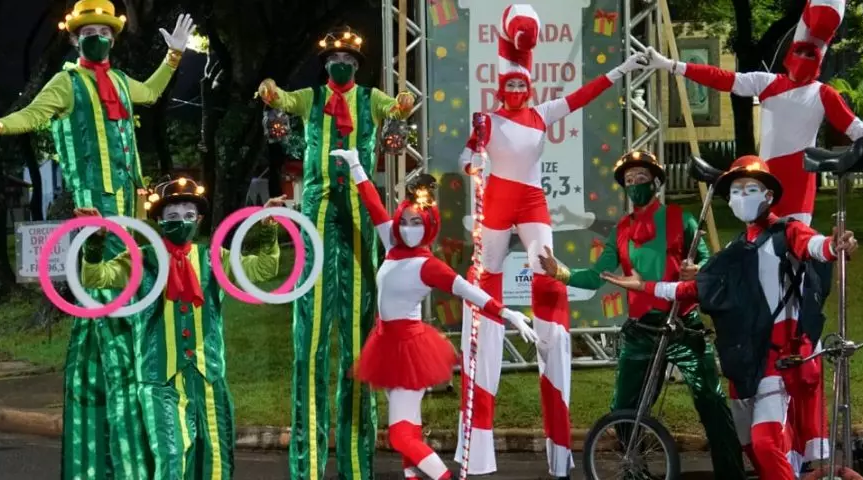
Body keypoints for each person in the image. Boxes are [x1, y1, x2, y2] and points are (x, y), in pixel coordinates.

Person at [640, 1, 863, 466]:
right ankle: (767, 438)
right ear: (790, 51)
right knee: (749, 289)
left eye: (816, 52)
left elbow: (861, 131)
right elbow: (720, 77)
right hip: (762, 204)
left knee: (797, 316)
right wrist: (671, 65)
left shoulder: (823, 94)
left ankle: (808, 452)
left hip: (797, 216)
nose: (807, 57)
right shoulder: (767, 84)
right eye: (802, 49)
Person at [452, 4, 647, 477]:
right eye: (510, 86)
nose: (517, 91)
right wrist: (472, 157)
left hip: (533, 204)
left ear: (530, 87)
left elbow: (583, 95)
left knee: (547, 272)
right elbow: (466, 157)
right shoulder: (487, 120)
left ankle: (559, 448)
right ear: (501, 89)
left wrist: (621, 70)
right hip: (497, 205)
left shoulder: (542, 114)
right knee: (486, 282)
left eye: (522, 85)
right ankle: (475, 446)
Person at [601, 155, 857, 480]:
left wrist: (834, 246)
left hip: (777, 359)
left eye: (750, 189)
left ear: (768, 195)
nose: (742, 197)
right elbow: (695, 290)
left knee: (765, 443)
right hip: (743, 361)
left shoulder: (786, 231)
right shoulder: (736, 249)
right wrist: (645, 286)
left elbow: (813, 245)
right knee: (749, 443)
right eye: (736, 191)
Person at [257, 28, 415, 480]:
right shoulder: (312, 98)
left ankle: (356, 465)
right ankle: (307, 466)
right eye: (333, 60)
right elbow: (283, 101)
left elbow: (396, 109)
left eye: (347, 59)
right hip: (319, 213)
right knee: (310, 339)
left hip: (360, 214)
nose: (340, 65)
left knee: (357, 341)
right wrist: (269, 90)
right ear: (325, 65)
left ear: (356, 64)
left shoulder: (369, 98)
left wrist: (404, 104)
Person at [537, 150, 745, 479]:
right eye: (629, 180)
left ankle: (732, 474)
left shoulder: (682, 219)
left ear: (656, 182)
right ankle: (636, 474)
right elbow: (596, 277)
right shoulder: (621, 231)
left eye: (642, 178)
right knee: (623, 409)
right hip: (641, 331)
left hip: (683, 326)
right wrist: (560, 272)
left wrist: (697, 270)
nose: (635, 184)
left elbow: (709, 263)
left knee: (711, 402)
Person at [333, 149, 538, 479]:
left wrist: (508, 314)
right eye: (404, 221)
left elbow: (471, 292)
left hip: (408, 350)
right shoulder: (392, 243)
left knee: (400, 436)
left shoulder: (429, 266)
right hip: (385, 345)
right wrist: (355, 164)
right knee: (409, 428)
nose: (407, 228)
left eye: (416, 222)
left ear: (429, 225)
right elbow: (373, 205)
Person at [78, 177, 287, 479]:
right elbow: (95, 277)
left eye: (189, 215)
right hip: (160, 380)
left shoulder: (213, 258)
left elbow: (264, 269)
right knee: (171, 457)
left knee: (215, 461)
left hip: (208, 378)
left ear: (199, 219)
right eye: (173, 215)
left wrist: (268, 227)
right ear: (160, 220)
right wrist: (94, 240)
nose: (182, 221)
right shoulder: (142, 259)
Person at [0, 0, 195, 244]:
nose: (97, 37)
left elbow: (150, 93)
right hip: (93, 189)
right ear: (74, 40)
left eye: (104, 32)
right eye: (89, 32)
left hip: (129, 186)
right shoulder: (66, 82)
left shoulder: (120, 80)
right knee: (102, 251)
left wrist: (173, 55)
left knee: (125, 254)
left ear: (112, 40)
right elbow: (32, 114)